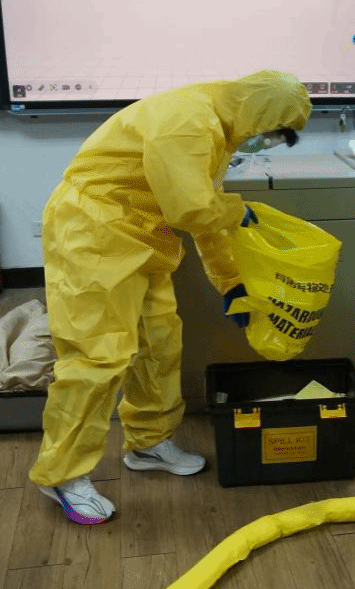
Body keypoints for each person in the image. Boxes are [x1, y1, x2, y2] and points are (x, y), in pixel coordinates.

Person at [30, 70, 312, 524]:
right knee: (97, 358)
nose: (265, 142)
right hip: (93, 234)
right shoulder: (186, 120)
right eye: (273, 133)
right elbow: (194, 210)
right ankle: (61, 474)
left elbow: (206, 216)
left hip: (144, 239)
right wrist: (238, 211)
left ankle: (147, 443)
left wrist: (231, 283)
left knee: (158, 345)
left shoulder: (218, 133)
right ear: (260, 113)